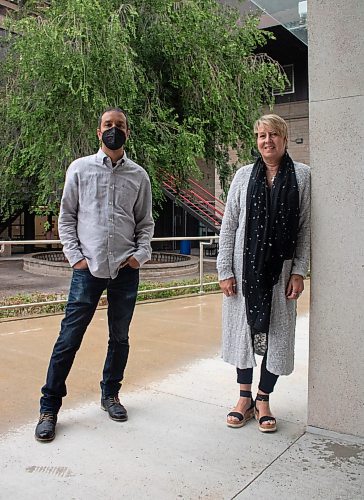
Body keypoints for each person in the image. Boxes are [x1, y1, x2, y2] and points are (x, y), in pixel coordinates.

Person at [35, 107, 154, 442]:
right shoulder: (80, 169)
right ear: (98, 131)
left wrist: (139, 256)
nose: (113, 129)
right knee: (68, 339)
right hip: (88, 271)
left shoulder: (138, 176)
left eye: (119, 126)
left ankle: (110, 395)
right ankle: (49, 408)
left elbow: (145, 223)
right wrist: (76, 259)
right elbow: (66, 218)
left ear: (127, 133)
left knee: (119, 338)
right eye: (107, 125)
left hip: (125, 271)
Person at [217, 114, 310, 433]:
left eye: (273, 135)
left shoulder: (302, 176)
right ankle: (243, 398)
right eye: (261, 135)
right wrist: (224, 269)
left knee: (276, 336)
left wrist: (299, 270)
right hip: (244, 273)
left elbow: (305, 226)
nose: (267, 141)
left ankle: (263, 398)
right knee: (244, 334)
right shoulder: (242, 176)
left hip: (280, 274)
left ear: (284, 139)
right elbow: (229, 224)